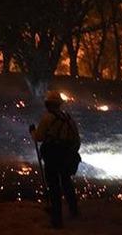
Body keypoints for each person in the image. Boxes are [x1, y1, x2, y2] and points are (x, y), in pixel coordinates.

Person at [30, 90, 80, 229]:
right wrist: (71, 153)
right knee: (66, 182)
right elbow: (76, 140)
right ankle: (74, 210)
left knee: (53, 186)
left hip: (52, 156)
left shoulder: (47, 118)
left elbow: (39, 137)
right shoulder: (69, 119)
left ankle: (57, 219)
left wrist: (32, 132)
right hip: (65, 156)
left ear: (48, 104)